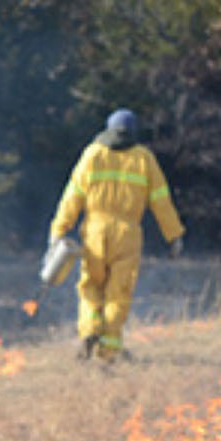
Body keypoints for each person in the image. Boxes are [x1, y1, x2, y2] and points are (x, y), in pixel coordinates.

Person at [48, 108, 186, 363]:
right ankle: (109, 350)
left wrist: (58, 230)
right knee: (117, 293)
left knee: (90, 286)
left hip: (95, 232)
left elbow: (72, 196)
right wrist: (174, 236)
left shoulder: (93, 154)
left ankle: (89, 331)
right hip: (127, 234)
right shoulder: (144, 158)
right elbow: (161, 201)